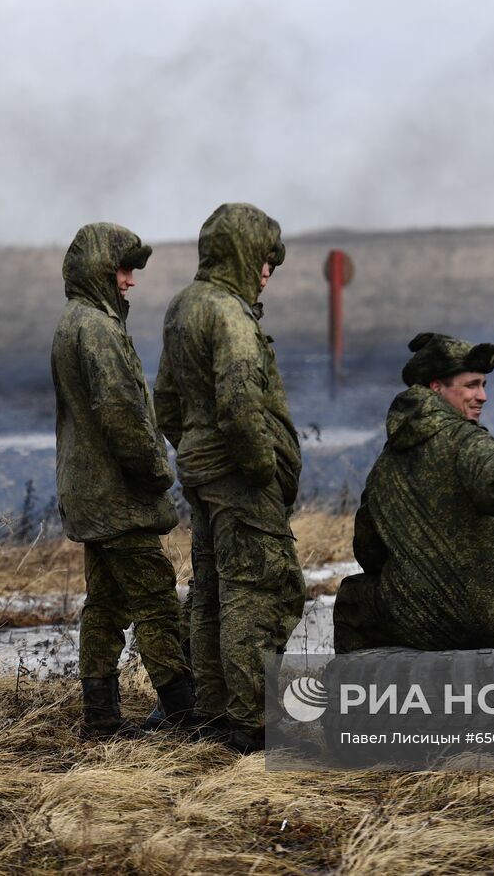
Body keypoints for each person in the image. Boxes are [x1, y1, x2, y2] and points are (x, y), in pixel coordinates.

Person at [333, 333, 494, 653]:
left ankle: (355, 697)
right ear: (435, 387)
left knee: (353, 598)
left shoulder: (385, 465)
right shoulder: (466, 442)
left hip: (421, 622)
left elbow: (368, 551)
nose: (482, 396)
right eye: (471, 385)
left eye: (483, 385)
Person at [154, 202, 304, 754]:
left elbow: (165, 401)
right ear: (242, 254)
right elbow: (242, 403)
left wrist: (194, 450)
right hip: (240, 482)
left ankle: (212, 713)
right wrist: (262, 468)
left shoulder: (183, 307)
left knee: (214, 594)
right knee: (258, 594)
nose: (268, 273)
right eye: (264, 260)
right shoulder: (231, 316)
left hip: (201, 476)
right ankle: (255, 724)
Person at [51, 222, 193, 738]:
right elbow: (122, 414)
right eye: (123, 270)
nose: (130, 281)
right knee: (156, 598)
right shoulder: (98, 329)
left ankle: (102, 717)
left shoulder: (75, 322)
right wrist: (157, 472)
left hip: (91, 496)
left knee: (106, 605)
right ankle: (184, 711)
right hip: (117, 498)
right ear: (100, 271)